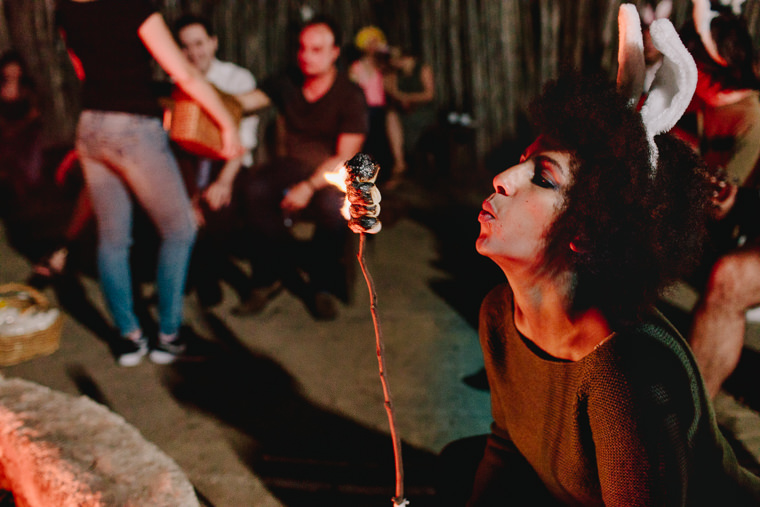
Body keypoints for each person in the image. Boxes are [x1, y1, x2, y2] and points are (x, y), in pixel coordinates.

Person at [438, 7, 760, 503]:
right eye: (524, 162)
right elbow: (506, 451)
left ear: (587, 232)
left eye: (541, 177)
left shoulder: (629, 377)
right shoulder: (499, 314)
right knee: (460, 466)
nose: (503, 177)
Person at [56, 0, 242, 366]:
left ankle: (130, 338)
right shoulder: (134, 8)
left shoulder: (67, 10)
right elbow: (185, 74)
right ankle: (168, 337)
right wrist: (228, 125)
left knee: (112, 239)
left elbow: (84, 70)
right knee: (181, 229)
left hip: (91, 126)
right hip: (133, 130)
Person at [235, 15, 368, 320]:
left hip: (331, 171)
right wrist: (205, 95)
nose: (306, 56)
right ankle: (271, 273)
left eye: (317, 50)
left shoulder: (350, 95)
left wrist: (308, 187)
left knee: (333, 207)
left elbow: (345, 157)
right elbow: (246, 101)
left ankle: (320, 285)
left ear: (335, 52)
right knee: (253, 188)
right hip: (291, 164)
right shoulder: (288, 80)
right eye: (302, 48)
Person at [675, 0, 760, 398]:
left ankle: (689, 416)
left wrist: (728, 199)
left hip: (733, 233)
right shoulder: (700, 105)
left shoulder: (752, 117)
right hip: (715, 225)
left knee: (728, 277)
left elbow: (730, 198)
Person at [174, 14, 259, 307]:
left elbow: (244, 141)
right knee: (179, 207)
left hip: (230, 164)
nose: (194, 52)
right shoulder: (177, 80)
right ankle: (191, 272)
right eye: (185, 46)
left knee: (219, 207)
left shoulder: (238, 79)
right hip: (191, 164)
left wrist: (224, 182)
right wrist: (188, 195)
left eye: (199, 43)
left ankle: (208, 273)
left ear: (213, 42)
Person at [384, 46, 435, 186]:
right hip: (404, 112)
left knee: (397, 120)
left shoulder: (422, 69)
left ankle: (401, 165)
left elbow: (429, 94)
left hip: (422, 111)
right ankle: (399, 163)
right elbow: (394, 93)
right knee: (391, 116)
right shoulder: (396, 73)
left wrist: (409, 98)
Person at [348, 26, 392, 178]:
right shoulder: (356, 67)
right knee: (366, 143)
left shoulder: (383, 66)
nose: (373, 46)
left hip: (380, 109)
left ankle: (383, 174)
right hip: (364, 109)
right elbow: (353, 90)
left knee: (380, 141)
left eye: (376, 42)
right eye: (370, 43)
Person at [0, 50, 44, 200]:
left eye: (15, 68)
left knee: (30, 172)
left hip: (27, 134)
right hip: (5, 135)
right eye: (9, 68)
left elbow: (35, 113)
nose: (12, 71)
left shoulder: (28, 88)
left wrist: (21, 125)